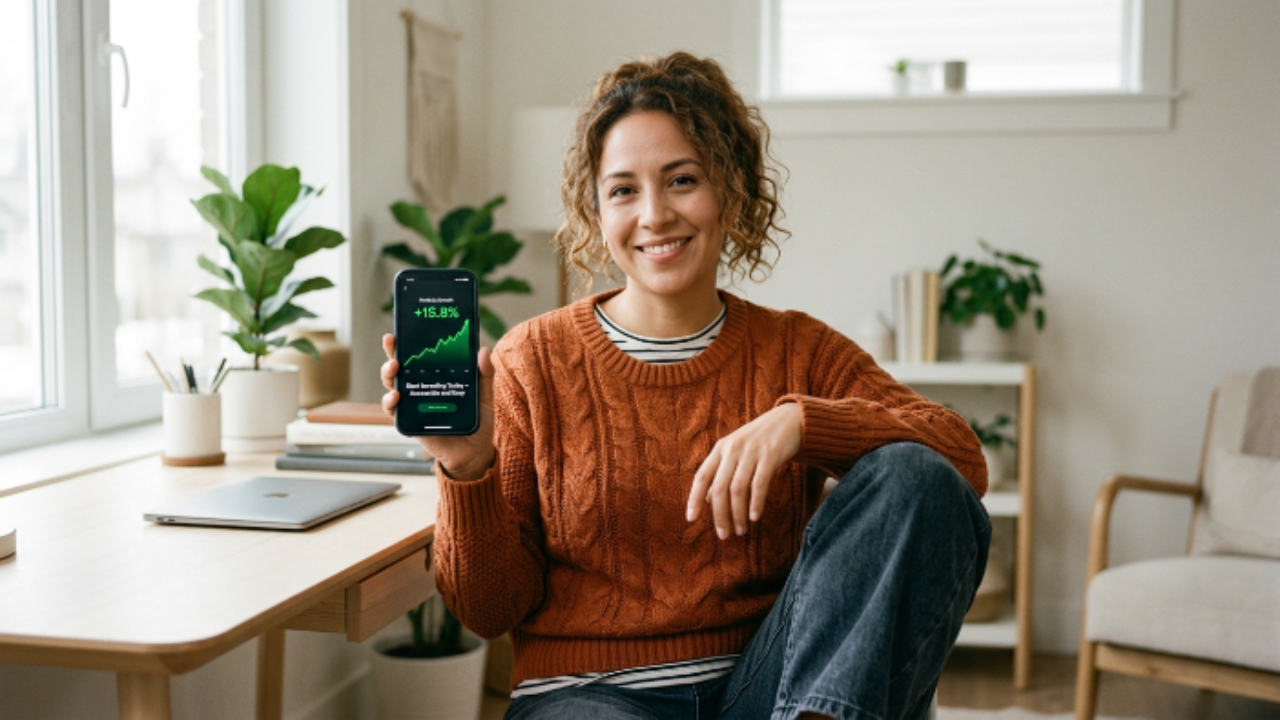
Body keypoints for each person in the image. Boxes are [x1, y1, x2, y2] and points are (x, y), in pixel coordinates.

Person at [381, 51, 991, 720]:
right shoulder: (532, 360)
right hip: (588, 696)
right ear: (596, 210)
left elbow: (959, 463)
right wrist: (467, 466)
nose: (654, 214)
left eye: (681, 180)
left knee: (912, 474)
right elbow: (490, 611)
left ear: (729, 188)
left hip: (767, 689)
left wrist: (802, 425)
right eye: (623, 190)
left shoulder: (796, 349)